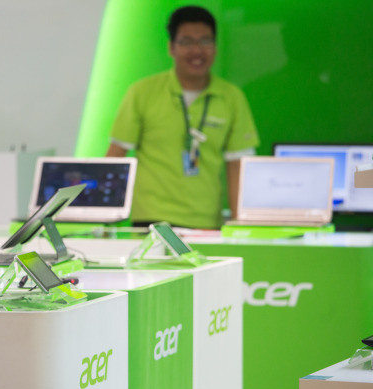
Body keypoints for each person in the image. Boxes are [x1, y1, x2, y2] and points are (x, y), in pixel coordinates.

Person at [106, 6, 259, 229]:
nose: (197, 50)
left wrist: (239, 226)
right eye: (186, 42)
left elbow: (238, 167)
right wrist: (102, 222)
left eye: (205, 41)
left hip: (206, 224)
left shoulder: (232, 97)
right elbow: (116, 159)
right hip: (150, 221)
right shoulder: (142, 92)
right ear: (171, 48)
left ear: (215, 48)